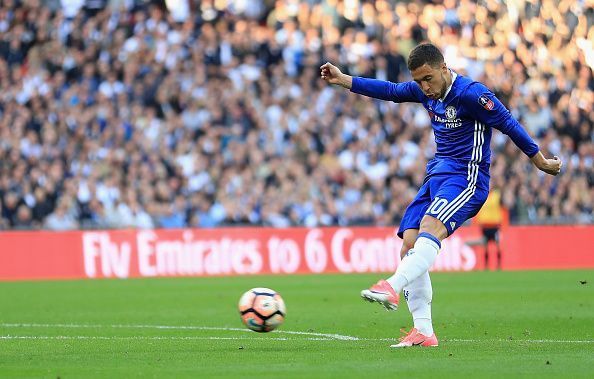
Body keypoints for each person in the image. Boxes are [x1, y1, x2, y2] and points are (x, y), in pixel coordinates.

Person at [320, 43, 562, 348]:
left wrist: (538, 158)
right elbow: (392, 91)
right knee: (409, 243)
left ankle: (392, 285)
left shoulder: (472, 94)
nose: (424, 87)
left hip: (467, 176)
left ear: (444, 68)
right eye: (419, 81)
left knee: (431, 227)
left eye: (428, 79)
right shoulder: (424, 90)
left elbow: (508, 123)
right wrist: (344, 79)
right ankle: (423, 332)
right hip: (437, 174)